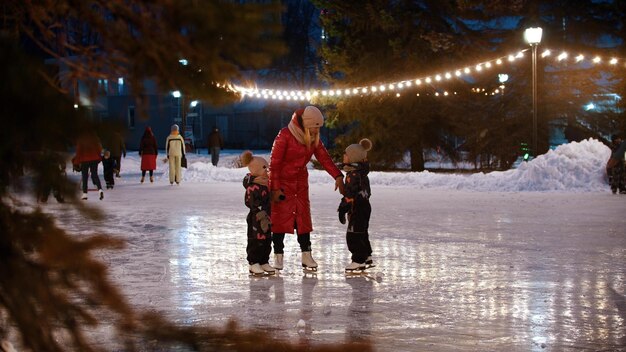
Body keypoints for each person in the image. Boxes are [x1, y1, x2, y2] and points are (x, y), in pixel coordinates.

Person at [269, 106, 344, 272]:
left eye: (319, 127)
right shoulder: (285, 135)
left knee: (303, 221)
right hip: (282, 184)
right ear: (306, 124)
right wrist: (274, 189)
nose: (317, 130)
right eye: (315, 126)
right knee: (279, 221)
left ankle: (306, 255)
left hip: (300, 184)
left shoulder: (313, 137)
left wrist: (338, 175)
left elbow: (324, 157)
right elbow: (274, 164)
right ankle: (278, 255)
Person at [337, 138, 374, 273]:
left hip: (357, 207)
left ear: (353, 157)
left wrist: (342, 208)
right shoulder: (362, 173)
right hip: (365, 206)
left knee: (353, 235)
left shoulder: (353, 175)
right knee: (362, 232)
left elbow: (350, 195)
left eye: (346, 154)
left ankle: (358, 260)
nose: (343, 156)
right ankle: (367, 256)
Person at [241, 150, 275, 276]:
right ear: (256, 170)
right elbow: (250, 202)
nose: (267, 171)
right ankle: (254, 262)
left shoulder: (265, 185)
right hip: (256, 218)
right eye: (264, 168)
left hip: (267, 217)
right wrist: (260, 213)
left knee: (267, 240)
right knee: (256, 240)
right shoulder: (252, 187)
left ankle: (264, 261)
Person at [75, 132, 104, 200]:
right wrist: (99, 158)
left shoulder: (81, 139)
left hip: (84, 160)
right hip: (94, 159)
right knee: (95, 175)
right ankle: (100, 190)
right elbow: (99, 149)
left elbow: (79, 151)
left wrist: (76, 162)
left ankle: (85, 194)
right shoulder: (95, 138)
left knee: (85, 176)